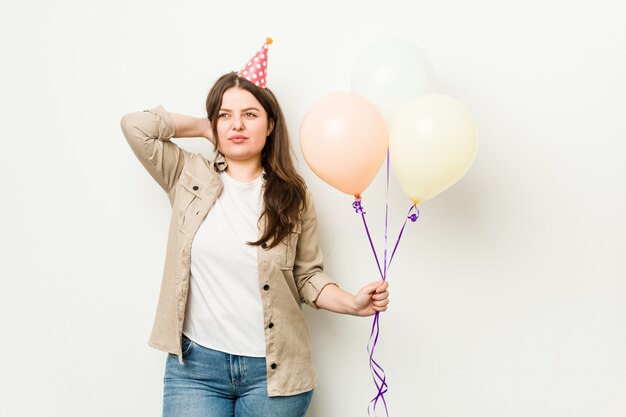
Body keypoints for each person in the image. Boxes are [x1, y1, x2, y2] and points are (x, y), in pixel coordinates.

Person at [120, 40, 389, 417]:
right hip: (195, 370)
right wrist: (203, 126)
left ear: (270, 125)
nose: (237, 125)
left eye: (250, 114)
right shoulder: (186, 175)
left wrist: (352, 303)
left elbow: (307, 275)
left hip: (274, 376)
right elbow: (135, 126)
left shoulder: (293, 197)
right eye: (226, 115)